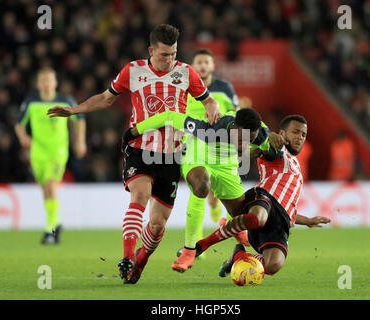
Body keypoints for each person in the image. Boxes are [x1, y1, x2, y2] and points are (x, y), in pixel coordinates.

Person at [47, 24, 221, 284]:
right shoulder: (133, 70)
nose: (169, 60)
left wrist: (212, 107)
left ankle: (139, 263)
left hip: (171, 156)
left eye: (173, 54)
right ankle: (127, 257)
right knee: (141, 194)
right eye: (164, 55)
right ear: (151, 51)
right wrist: (74, 110)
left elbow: (208, 99)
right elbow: (106, 99)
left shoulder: (186, 72)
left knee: (157, 225)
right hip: (140, 148)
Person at [124, 108, 287, 273]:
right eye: (242, 139)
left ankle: (233, 241)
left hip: (226, 164)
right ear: (235, 129)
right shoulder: (209, 128)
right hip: (198, 156)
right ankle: (189, 250)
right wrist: (133, 131)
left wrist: (270, 146)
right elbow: (170, 116)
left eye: (249, 140)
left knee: (241, 215)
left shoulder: (260, 134)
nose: (245, 144)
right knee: (202, 186)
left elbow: (271, 152)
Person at [188, 115, 330, 277]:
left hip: (279, 222)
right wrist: (264, 143)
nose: (300, 137)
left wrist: (309, 221)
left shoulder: (296, 166)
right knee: (257, 218)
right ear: (282, 134)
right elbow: (266, 149)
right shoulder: (277, 149)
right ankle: (202, 245)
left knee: (273, 266)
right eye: (296, 132)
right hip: (263, 200)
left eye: (303, 135)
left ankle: (239, 256)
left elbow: (288, 212)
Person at [15, 67, 87, 244]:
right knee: (45, 188)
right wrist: (23, 137)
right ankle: (56, 222)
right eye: (43, 80)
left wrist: (80, 141)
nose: (47, 84)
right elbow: (18, 124)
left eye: (50, 80)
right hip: (37, 152)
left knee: (50, 184)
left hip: (58, 151)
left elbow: (80, 119)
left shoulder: (65, 101)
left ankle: (50, 230)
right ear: (38, 84)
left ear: (55, 83)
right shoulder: (31, 102)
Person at [183, 49, 242, 261]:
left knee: (215, 196)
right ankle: (195, 244)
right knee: (198, 190)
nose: (203, 66)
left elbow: (238, 113)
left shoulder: (224, 88)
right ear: (193, 65)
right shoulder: (187, 88)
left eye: (207, 62)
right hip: (194, 147)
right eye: (199, 62)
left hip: (221, 149)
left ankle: (218, 212)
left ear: (212, 66)